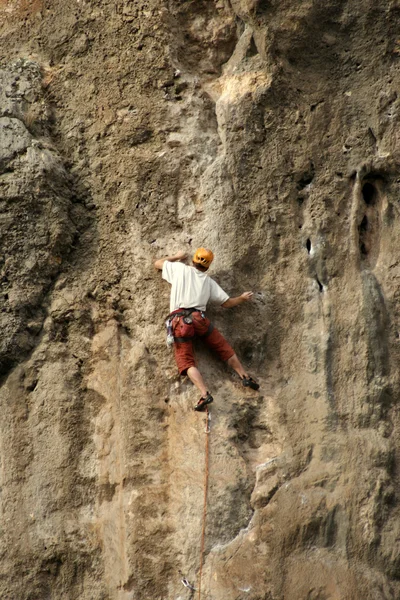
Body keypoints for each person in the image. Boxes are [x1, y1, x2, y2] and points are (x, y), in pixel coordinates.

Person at [154, 247, 259, 411]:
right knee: (222, 347)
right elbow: (227, 303)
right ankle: (244, 376)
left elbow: (158, 264)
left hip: (179, 322)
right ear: (208, 266)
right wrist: (242, 298)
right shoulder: (208, 281)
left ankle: (204, 394)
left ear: (193, 260)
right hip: (198, 318)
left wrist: (177, 256)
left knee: (186, 362)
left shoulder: (180, 269)